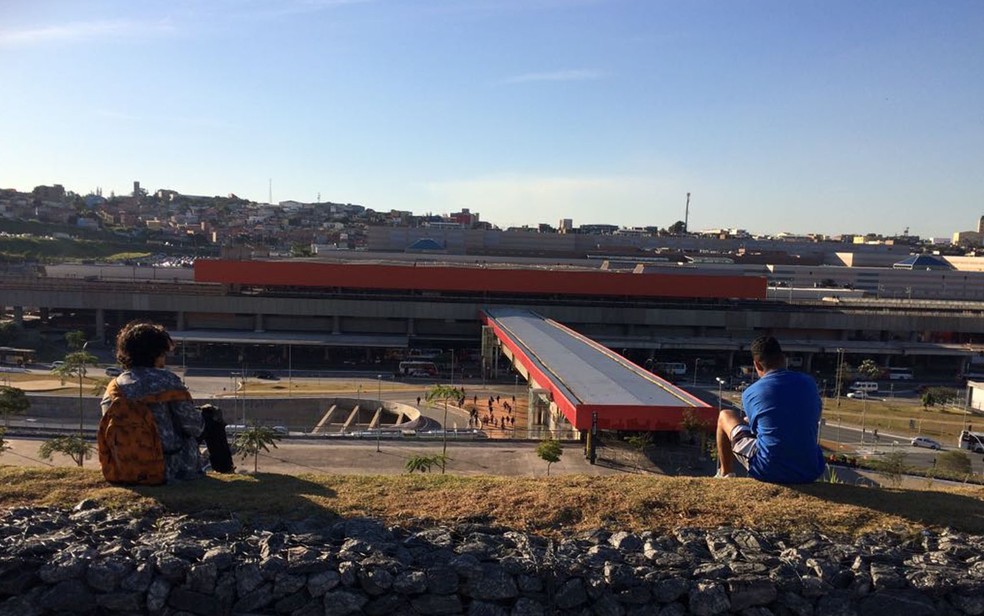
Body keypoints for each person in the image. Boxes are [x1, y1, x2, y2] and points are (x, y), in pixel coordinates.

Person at [102, 321, 204, 482]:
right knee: (210, 417)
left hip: (123, 470)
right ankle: (224, 468)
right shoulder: (168, 382)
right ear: (157, 354)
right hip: (168, 470)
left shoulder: (113, 387)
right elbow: (194, 427)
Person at [715, 336, 825, 483]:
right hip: (811, 469)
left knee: (725, 415)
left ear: (757, 365)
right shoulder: (809, 383)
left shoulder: (751, 392)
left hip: (768, 469)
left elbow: (756, 431)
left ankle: (725, 474)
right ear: (784, 359)